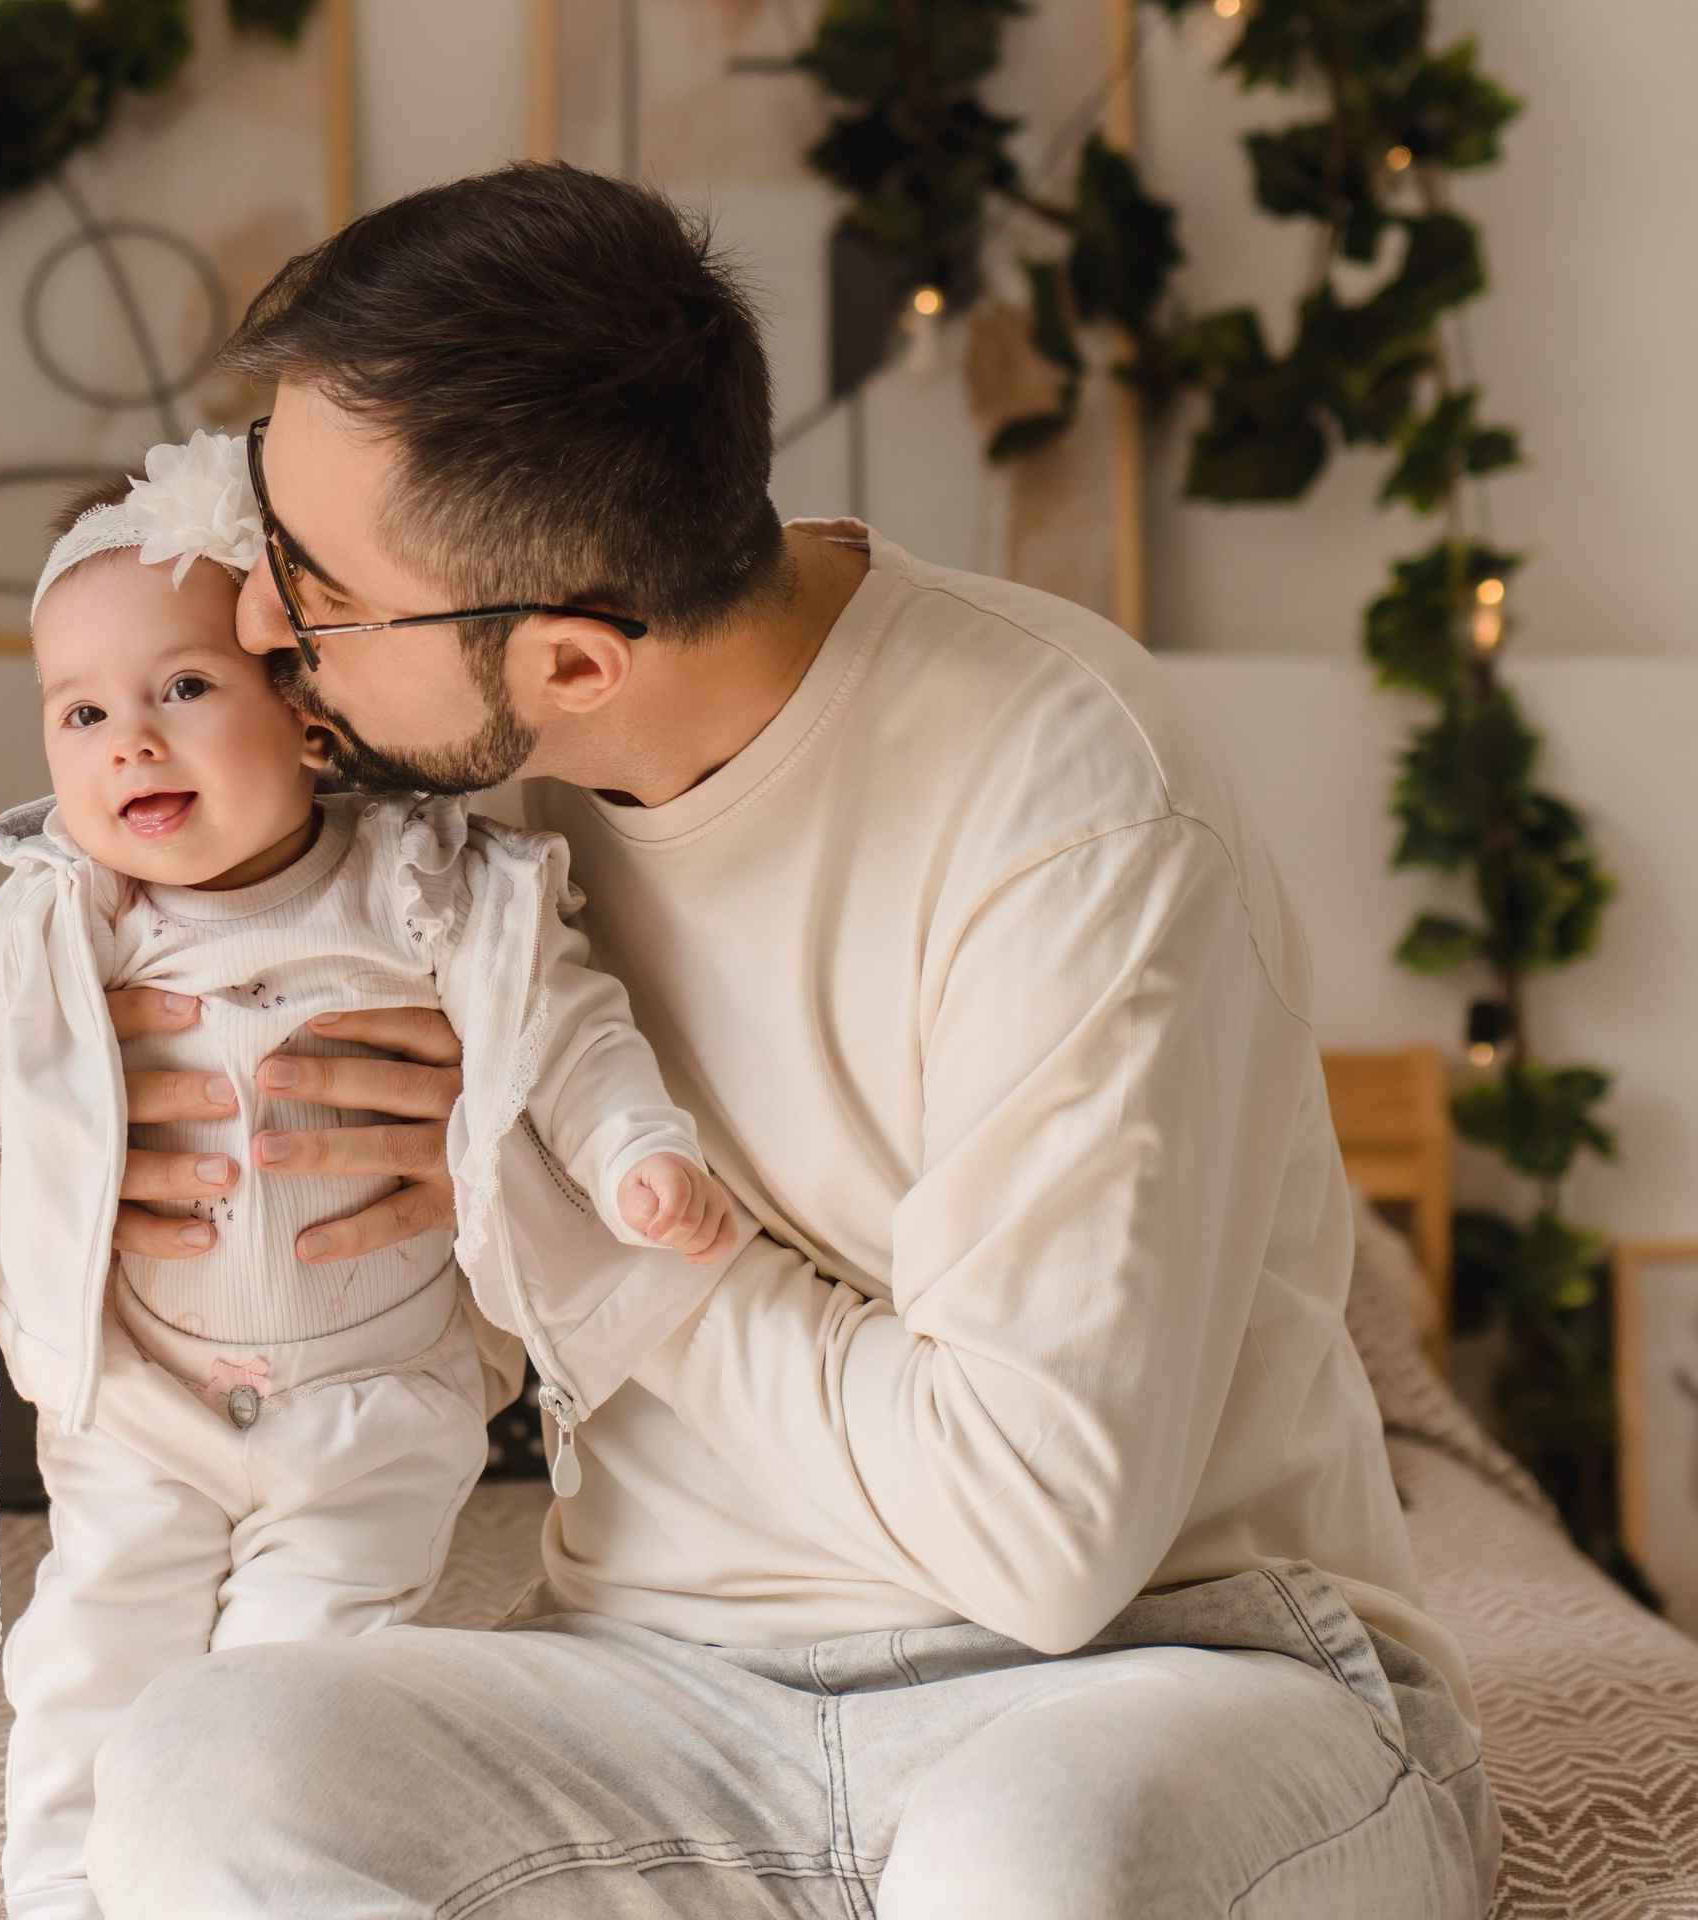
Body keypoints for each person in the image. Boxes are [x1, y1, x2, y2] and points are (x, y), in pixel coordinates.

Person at [80, 164, 1502, 1918]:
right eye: (259, 534)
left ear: (579, 664)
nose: (251, 624)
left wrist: (606, 1249)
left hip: (1167, 1681)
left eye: (315, 589)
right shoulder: (447, 825)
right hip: (662, 1683)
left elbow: (1042, 1546)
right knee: (197, 1771)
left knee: (1041, 1863)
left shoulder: (1070, 804)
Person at [0, 433, 743, 1920]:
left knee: (290, 1692)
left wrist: (639, 1153)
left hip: (369, 1407)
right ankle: (63, 1897)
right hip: (145, 1401)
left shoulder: (422, 886)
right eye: (80, 712)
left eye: (182, 688)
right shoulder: (54, 932)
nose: (129, 740)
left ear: (308, 718)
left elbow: (564, 1030)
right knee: (89, 1663)